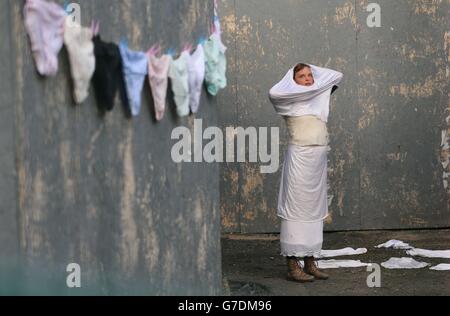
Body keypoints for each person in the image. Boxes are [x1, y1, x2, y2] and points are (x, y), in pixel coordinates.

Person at [269, 63, 344, 283]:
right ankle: (293, 265)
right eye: (302, 76)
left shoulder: (319, 96)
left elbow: (337, 75)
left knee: (315, 210)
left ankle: (311, 262)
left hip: (317, 161)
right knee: (296, 209)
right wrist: (303, 86)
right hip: (299, 159)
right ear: (293, 80)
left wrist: (315, 84)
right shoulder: (288, 100)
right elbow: (273, 92)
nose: (308, 78)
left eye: (310, 75)